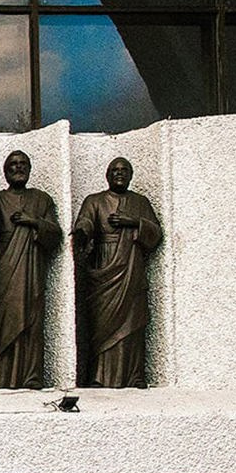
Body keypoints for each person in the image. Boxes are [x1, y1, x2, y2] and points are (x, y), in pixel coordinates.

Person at [73, 156, 165, 388]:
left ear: (131, 175)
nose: (119, 173)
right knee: (102, 325)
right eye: (114, 170)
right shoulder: (95, 201)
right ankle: (99, 377)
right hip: (104, 266)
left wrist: (133, 222)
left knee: (132, 323)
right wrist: (82, 233)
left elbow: (155, 234)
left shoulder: (140, 202)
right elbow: (85, 222)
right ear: (107, 175)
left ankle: (133, 375)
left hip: (132, 267)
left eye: (124, 170)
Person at [0, 150, 64, 388]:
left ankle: (30, 376)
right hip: (6, 266)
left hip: (32, 267)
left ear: (29, 169)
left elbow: (55, 234)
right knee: (6, 318)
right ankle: (3, 377)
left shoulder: (41, 199)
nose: (18, 168)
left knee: (32, 320)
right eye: (13, 164)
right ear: (5, 171)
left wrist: (33, 221)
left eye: (23, 164)